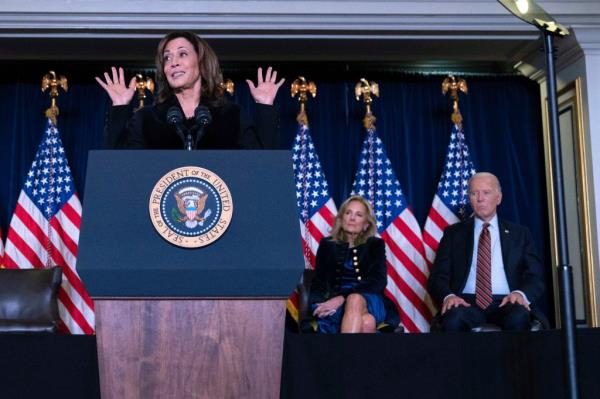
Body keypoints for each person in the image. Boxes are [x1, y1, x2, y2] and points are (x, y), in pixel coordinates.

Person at [95, 31, 285, 149]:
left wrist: (265, 107)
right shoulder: (147, 118)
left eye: (182, 54)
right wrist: (120, 107)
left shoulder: (231, 116)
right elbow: (119, 168)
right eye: (167, 58)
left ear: (201, 64)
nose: (173, 63)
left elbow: (262, 167)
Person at [428, 172, 545, 331]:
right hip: (465, 302)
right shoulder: (453, 234)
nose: (480, 198)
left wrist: (520, 294)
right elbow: (437, 278)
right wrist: (449, 296)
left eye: (486, 192)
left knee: (519, 316)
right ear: (469, 198)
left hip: (508, 301)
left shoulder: (520, 234)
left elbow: (535, 276)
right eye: (474, 193)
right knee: (453, 318)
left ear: (499, 198)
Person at [307, 195, 387, 333]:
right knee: (367, 322)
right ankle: (352, 355)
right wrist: (317, 305)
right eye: (348, 212)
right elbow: (319, 281)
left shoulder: (375, 244)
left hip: (369, 299)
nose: (352, 218)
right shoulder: (327, 245)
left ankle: (342, 354)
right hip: (334, 302)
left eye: (359, 215)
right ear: (341, 218)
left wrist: (343, 297)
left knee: (354, 299)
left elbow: (378, 280)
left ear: (366, 224)